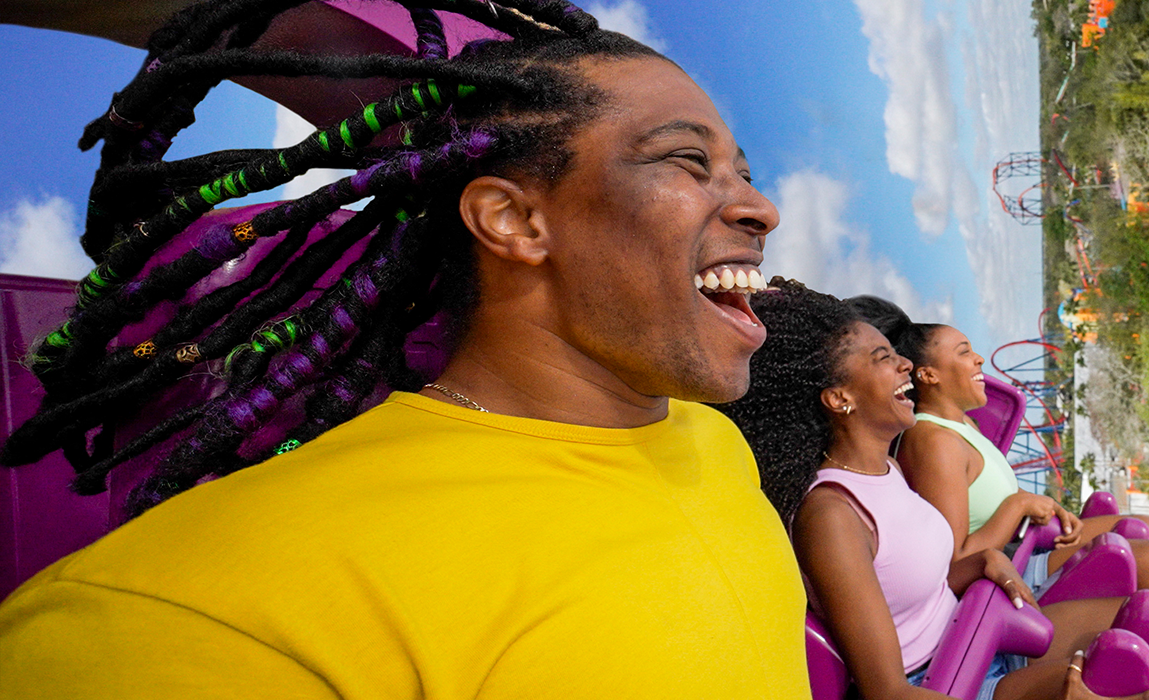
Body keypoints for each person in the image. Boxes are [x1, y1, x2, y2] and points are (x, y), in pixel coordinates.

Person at [0, 2, 806, 697]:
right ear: (514, 221)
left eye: (742, 172)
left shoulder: (713, 443)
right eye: (688, 161)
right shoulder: (195, 614)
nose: (761, 209)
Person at [715, 280, 1149, 700]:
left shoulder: (885, 473)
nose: (905, 366)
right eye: (883, 358)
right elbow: (889, 692)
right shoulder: (831, 516)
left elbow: (913, 583)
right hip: (955, 678)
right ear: (839, 397)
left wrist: (978, 564)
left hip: (979, 622)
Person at [847, 296, 1149, 620]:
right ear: (928, 374)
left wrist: (1034, 505)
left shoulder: (963, 424)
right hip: (1011, 574)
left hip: (1031, 545)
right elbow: (956, 562)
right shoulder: (935, 441)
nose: (978, 359)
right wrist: (1017, 505)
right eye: (964, 352)